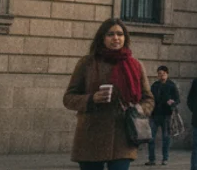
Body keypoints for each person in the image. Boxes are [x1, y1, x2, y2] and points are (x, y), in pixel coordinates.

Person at [63, 18, 155, 170]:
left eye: (120, 34)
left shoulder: (135, 65)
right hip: (91, 137)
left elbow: (148, 99)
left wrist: (137, 109)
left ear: (125, 38)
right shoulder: (87, 63)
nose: (116, 38)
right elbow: (68, 98)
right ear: (102, 38)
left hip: (123, 136)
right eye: (110, 34)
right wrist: (91, 99)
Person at [148, 65, 180, 166]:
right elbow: (150, 98)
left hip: (167, 115)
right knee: (151, 138)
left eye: (163, 74)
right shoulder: (155, 85)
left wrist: (173, 102)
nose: (161, 76)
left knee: (166, 138)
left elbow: (178, 99)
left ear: (167, 74)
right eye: (159, 74)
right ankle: (151, 159)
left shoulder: (171, 85)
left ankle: (165, 158)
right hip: (155, 115)